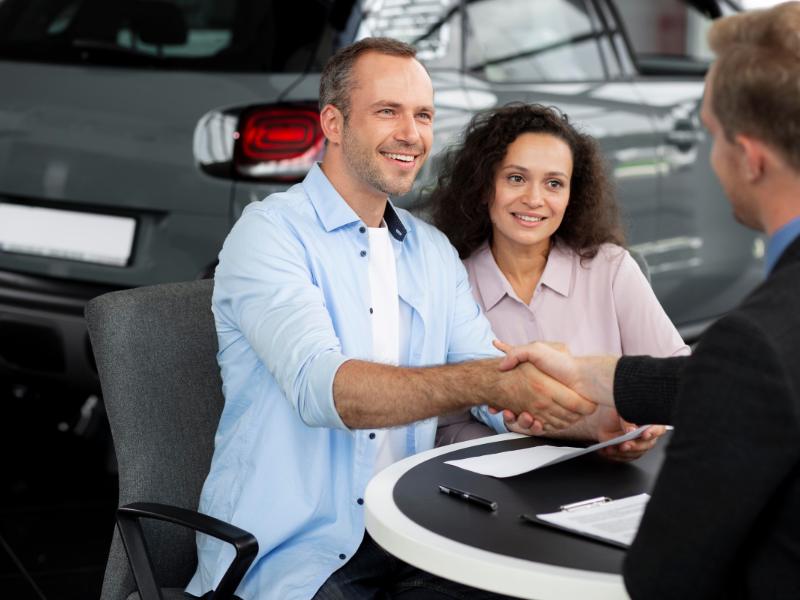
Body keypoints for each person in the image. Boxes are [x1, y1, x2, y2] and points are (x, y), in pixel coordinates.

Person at [186, 37, 605, 600]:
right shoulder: (269, 235)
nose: (412, 134)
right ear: (333, 123)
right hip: (296, 555)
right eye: (388, 111)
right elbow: (326, 391)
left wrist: (599, 427)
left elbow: (493, 379)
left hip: (412, 536)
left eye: (424, 115)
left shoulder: (430, 251)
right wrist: (488, 381)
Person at [498, 3, 800, 598]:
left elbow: (663, 573)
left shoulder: (756, 344)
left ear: (751, 155)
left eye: (711, 136)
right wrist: (591, 374)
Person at [430, 104, 688, 445]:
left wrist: (641, 430)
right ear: (483, 187)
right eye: (516, 178)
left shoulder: (611, 269)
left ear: (571, 196)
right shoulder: (451, 283)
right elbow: (445, 426)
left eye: (554, 183)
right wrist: (526, 436)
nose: (534, 199)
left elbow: (678, 376)